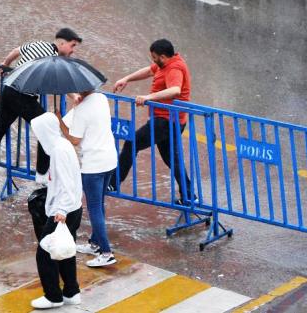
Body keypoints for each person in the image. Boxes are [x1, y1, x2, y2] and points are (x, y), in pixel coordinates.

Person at [0, 28, 83, 184]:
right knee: (47, 128)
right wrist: (75, 95)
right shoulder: (54, 60)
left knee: (2, 122)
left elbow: (16, 51)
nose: (73, 51)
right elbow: (60, 85)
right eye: (72, 45)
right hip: (23, 96)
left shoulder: (37, 44)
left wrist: (6, 64)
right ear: (62, 43)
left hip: (8, 88)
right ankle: (41, 173)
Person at [111, 39, 195, 205]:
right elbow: (149, 71)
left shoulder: (174, 68)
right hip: (170, 120)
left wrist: (148, 97)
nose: (153, 60)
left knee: (131, 143)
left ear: (163, 57)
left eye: (155, 57)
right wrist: (126, 78)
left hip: (165, 121)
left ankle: (113, 184)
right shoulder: (166, 63)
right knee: (172, 159)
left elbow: (175, 90)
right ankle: (189, 196)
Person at [57, 89, 118, 268]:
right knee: (99, 204)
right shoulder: (101, 98)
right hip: (109, 160)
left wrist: (60, 120)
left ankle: (106, 253)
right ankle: (95, 243)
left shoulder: (82, 109)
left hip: (93, 165)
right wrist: (78, 107)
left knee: (94, 208)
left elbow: (75, 139)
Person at [29, 112, 83, 309]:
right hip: (73, 207)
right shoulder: (62, 145)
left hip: (63, 210)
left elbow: (66, 183)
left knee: (44, 251)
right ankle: (71, 291)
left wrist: (60, 210)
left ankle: (53, 296)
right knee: (66, 250)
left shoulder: (59, 151)